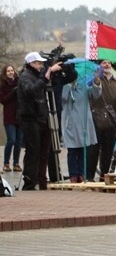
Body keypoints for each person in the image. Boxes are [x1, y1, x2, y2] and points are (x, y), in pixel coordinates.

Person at [18, 52, 63, 190]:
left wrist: (50, 74)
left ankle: (41, 180)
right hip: (30, 119)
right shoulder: (26, 76)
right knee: (33, 151)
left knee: (43, 151)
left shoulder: (36, 75)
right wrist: (45, 77)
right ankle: (30, 182)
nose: (41, 65)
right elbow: (31, 91)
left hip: (41, 118)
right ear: (31, 64)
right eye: (38, 63)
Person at [61, 66, 102, 182]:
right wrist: (69, 87)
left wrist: (96, 81)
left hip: (83, 122)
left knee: (83, 150)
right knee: (73, 150)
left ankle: (82, 173)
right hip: (71, 123)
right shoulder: (65, 87)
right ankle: (73, 174)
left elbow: (95, 94)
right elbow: (63, 99)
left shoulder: (83, 86)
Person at [86, 60, 116, 180]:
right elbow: (92, 96)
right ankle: (90, 176)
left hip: (112, 121)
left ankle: (105, 175)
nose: (107, 65)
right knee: (93, 150)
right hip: (96, 120)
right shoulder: (94, 80)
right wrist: (96, 80)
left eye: (108, 63)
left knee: (108, 150)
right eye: (103, 63)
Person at [0, 64, 23, 172]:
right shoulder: (2, 84)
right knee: (11, 140)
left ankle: (16, 163)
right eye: (8, 71)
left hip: (19, 115)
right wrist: (12, 92)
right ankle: (6, 163)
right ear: (5, 73)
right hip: (9, 116)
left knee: (19, 141)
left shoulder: (19, 82)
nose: (10, 72)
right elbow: (3, 100)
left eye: (12, 70)